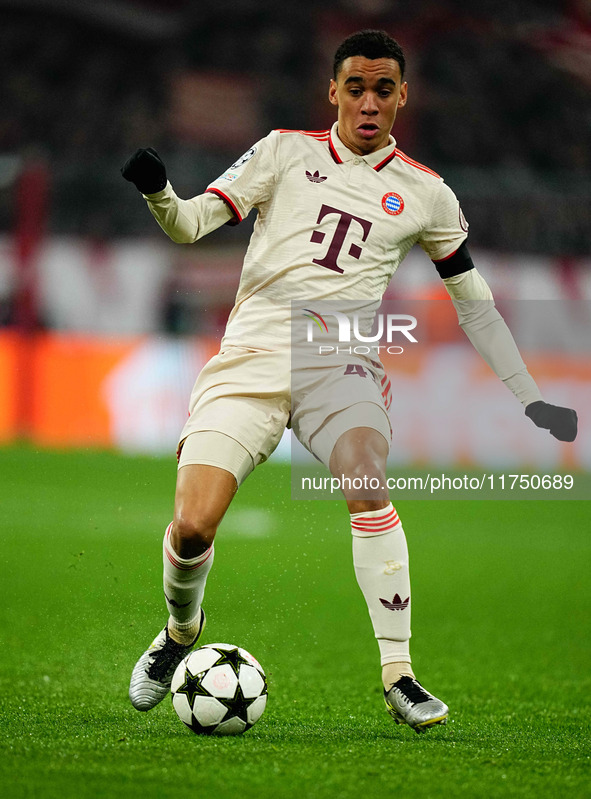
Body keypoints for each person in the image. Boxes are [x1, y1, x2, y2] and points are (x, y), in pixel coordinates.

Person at [121, 29, 577, 733]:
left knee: (367, 480)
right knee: (191, 526)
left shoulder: (427, 194)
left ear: (402, 96)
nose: (369, 102)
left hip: (341, 361)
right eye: (355, 87)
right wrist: (158, 192)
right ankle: (181, 631)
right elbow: (188, 225)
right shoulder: (281, 151)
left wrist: (528, 396)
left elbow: (474, 305)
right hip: (249, 356)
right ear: (332, 91)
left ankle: (398, 672)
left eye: (383, 89)